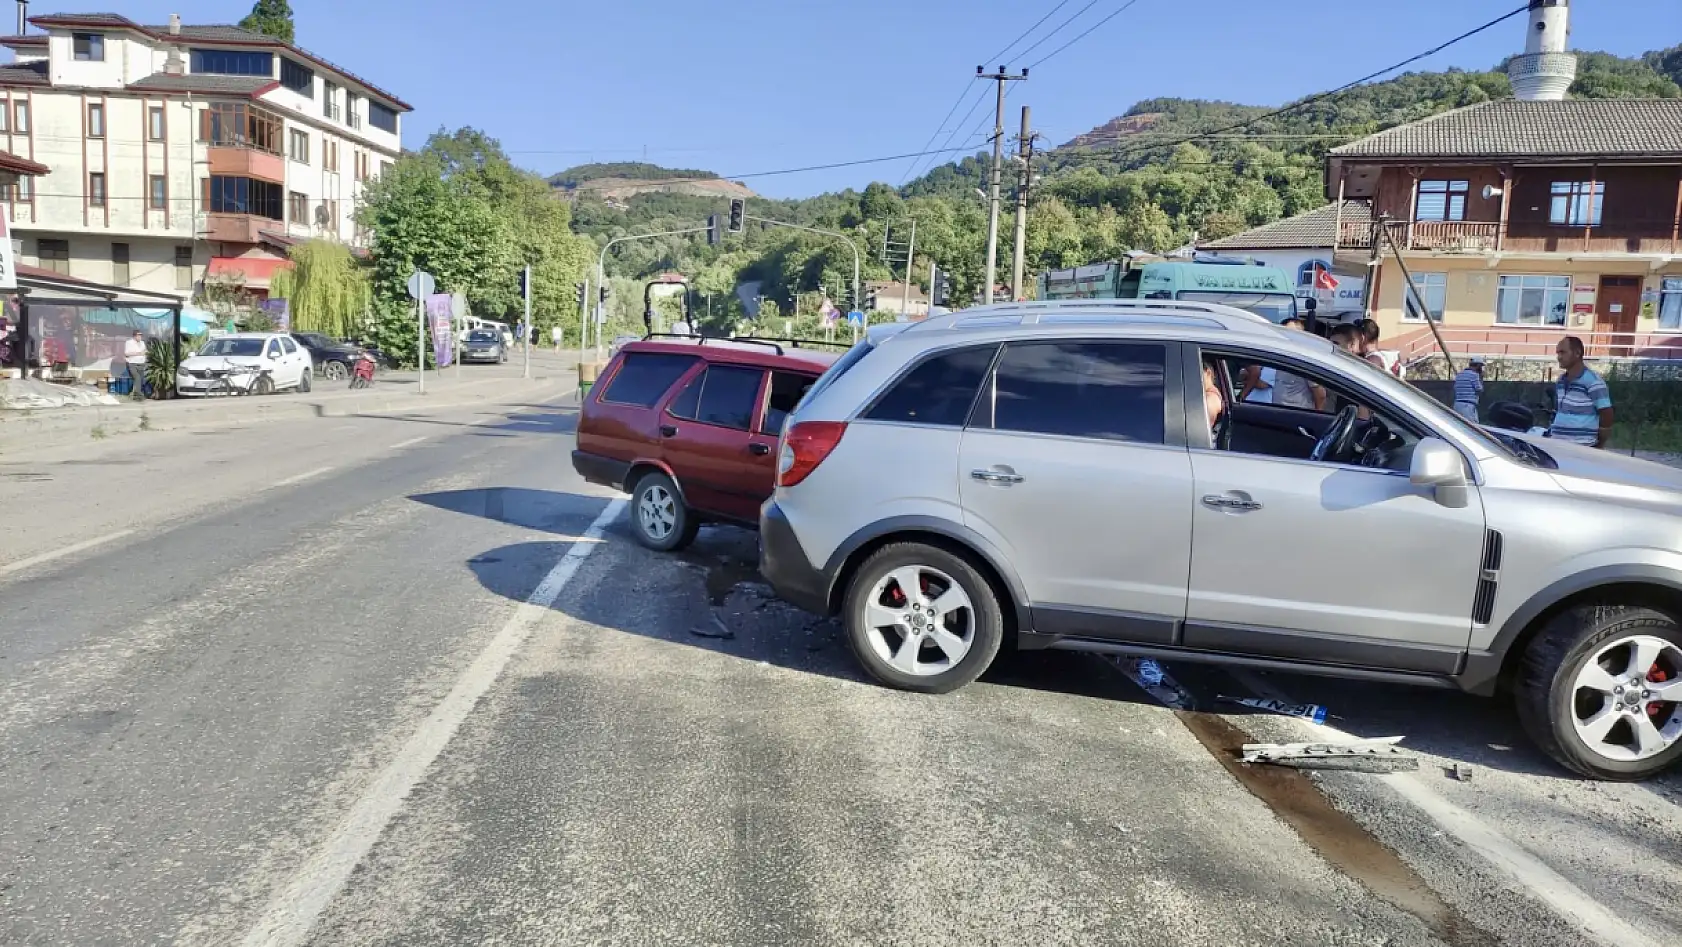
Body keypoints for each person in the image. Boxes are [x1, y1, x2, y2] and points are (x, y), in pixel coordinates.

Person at [1548, 336, 1613, 448]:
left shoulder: (1593, 381)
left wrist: (1599, 444)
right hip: (1557, 445)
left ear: (1577, 353)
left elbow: (1607, 413)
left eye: (1563, 352)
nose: (1559, 357)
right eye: (1558, 353)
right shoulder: (1560, 381)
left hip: (1582, 447)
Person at [1453, 357, 1486, 422]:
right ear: (1478, 366)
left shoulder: (1459, 375)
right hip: (1468, 406)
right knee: (1472, 428)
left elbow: (1455, 388)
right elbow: (1480, 390)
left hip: (1457, 405)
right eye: (1481, 366)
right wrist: (1481, 378)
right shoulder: (1474, 375)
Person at [123, 330, 148, 401]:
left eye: (141, 335)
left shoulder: (142, 343)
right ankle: (138, 396)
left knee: (141, 379)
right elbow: (126, 354)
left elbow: (145, 351)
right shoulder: (129, 343)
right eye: (138, 335)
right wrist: (138, 353)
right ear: (134, 336)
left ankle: (134, 394)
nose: (140, 337)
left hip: (141, 363)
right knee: (137, 378)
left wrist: (145, 355)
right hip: (132, 364)